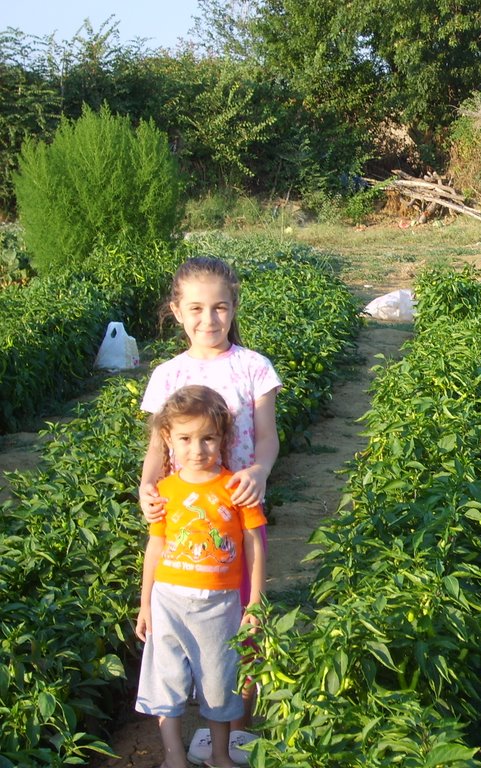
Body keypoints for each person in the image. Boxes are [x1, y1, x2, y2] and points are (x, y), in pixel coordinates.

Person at [138, 256, 281, 764]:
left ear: (233, 307)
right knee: (182, 629)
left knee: (244, 624)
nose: (209, 319)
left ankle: (233, 734)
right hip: (185, 518)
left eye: (220, 307)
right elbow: (157, 448)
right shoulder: (168, 373)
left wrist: (259, 473)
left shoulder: (253, 366)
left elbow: (266, 440)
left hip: (238, 513)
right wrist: (146, 486)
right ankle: (193, 728)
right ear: (177, 311)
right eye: (196, 308)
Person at [135, 385, 267, 768]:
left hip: (220, 603)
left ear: (223, 438)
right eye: (185, 438)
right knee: (167, 678)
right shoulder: (164, 491)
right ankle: (174, 755)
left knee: (219, 680)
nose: (197, 449)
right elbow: (155, 548)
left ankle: (219, 756)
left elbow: (254, 544)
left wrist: (254, 601)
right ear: (168, 439)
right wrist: (145, 604)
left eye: (208, 438)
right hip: (169, 601)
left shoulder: (237, 489)